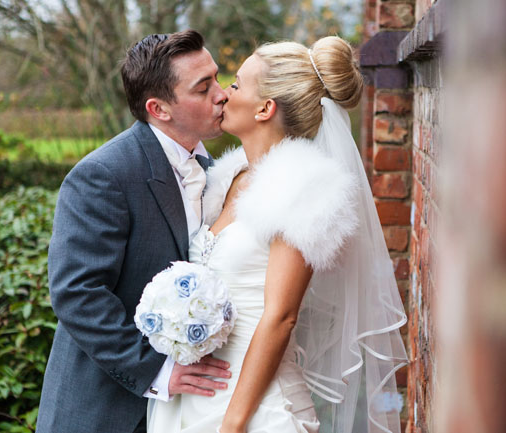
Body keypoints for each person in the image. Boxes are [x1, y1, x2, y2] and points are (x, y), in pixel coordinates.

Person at [147, 36, 408, 433]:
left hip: (255, 407)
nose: (222, 95)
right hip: (198, 394)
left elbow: (281, 317)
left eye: (235, 85)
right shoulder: (227, 178)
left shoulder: (301, 187)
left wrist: (234, 423)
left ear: (265, 108)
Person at [36, 30, 234, 433]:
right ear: (159, 108)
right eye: (203, 87)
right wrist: (156, 371)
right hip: (105, 411)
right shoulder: (103, 175)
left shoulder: (218, 171)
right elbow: (77, 292)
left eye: (217, 77)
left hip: (192, 412)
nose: (222, 94)